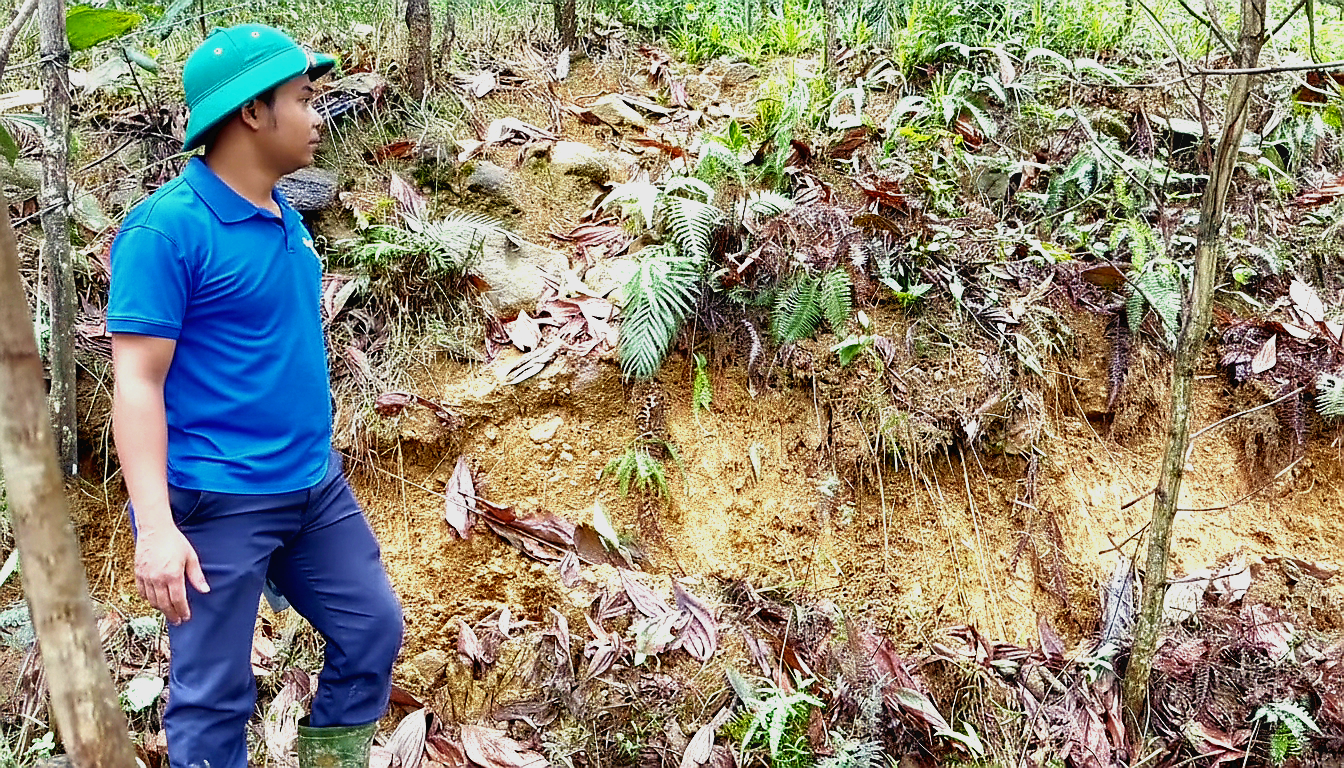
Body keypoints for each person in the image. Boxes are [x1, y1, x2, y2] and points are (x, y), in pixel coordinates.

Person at [107, 24, 403, 768]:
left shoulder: (286, 218)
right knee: (214, 694)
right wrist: (155, 528)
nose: (317, 117)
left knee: (371, 630)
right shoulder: (167, 231)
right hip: (221, 497)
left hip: (313, 486)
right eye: (304, 100)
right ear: (249, 113)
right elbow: (136, 383)